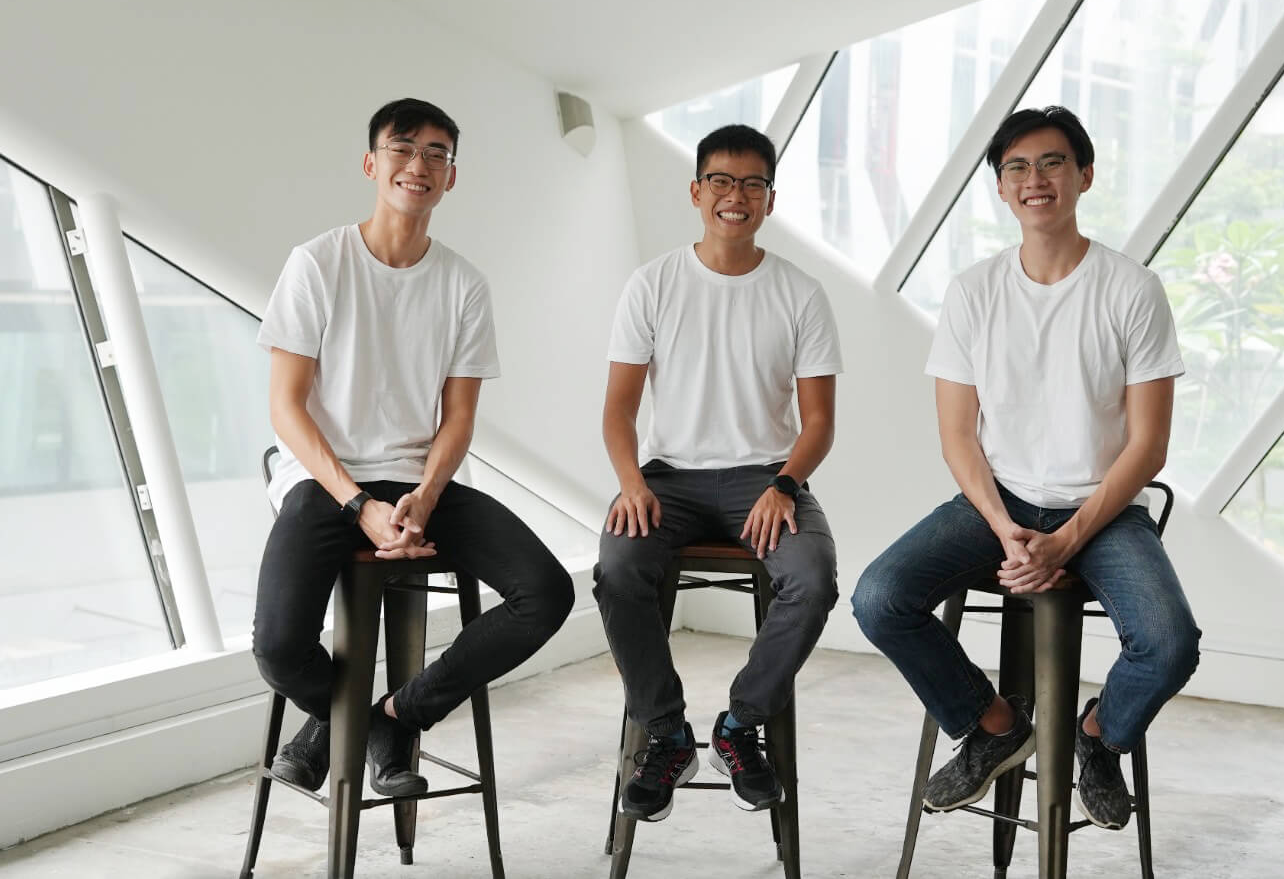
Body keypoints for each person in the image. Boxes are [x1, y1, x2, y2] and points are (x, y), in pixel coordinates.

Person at [852, 106, 1200, 830]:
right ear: (1002, 190)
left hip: (1102, 511)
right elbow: (957, 437)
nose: (1034, 179)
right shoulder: (974, 291)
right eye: (1017, 167)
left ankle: (1098, 736)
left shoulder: (1132, 289)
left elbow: (1149, 446)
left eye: (1051, 163)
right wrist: (1007, 529)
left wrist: (1067, 540)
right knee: (880, 596)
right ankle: (994, 724)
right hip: (997, 502)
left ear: (1084, 176)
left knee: (1170, 643)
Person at [252, 97, 574, 797]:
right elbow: (286, 406)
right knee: (278, 647)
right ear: (373, 163)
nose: (418, 164)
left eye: (437, 153)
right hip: (323, 481)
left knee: (546, 591)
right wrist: (359, 503)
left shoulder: (463, 284)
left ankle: (400, 712)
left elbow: (458, 419)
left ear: (450, 177)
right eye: (403, 148)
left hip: (416, 482)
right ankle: (368, 731)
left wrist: (424, 497)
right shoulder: (317, 263)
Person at [595, 123, 842, 822]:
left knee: (813, 575)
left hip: (763, 476)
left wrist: (784, 483)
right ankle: (666, 731)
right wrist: (632, 483)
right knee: (617, 566)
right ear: (698, 190)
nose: (737, 196)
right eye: (723, 182)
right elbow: (618, 409)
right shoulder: (653, 283)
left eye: (753, 183)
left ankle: (740, 724)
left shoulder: (800, 292)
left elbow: (818, 420)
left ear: (770, 198)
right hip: (667, 478)